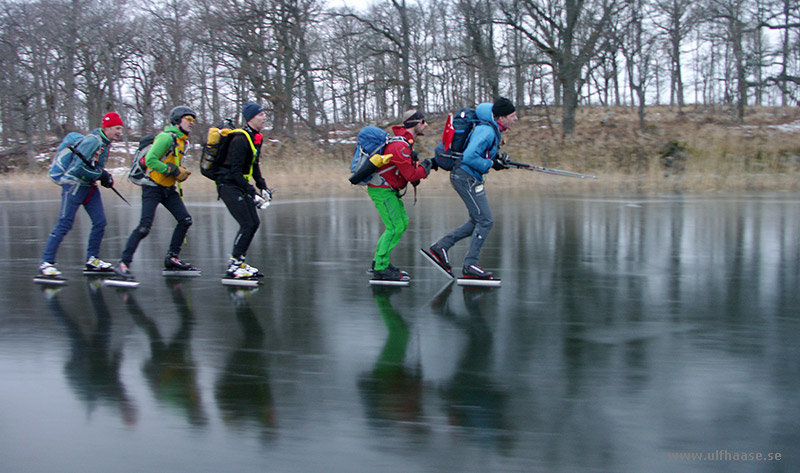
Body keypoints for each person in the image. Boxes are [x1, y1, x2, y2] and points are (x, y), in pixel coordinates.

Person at [426, 97, 518, 280]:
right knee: (485, 220)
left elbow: (479, 152)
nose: (516, 118)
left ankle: (441, 247)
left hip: (468, 178)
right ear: (501, 118)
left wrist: (497, 160)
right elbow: (468, 157)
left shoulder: (490, 128)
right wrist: (490, 163)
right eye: (513, 115)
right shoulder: (487, 131)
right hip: (465, 178)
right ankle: (470, 265)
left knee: (478, 220)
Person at [114, 106, 196, 280]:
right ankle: (123, 263)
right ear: (177, 120)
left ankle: (172, 258)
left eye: (193, 120)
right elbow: (151, 160)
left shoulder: (183, 141)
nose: (191, 122)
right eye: (188, 118)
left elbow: (171, 163)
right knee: (144, 227)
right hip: (152, 187)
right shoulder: (166, 137)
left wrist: (179, 172)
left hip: (168, 189)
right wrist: (172, 170)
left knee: (185, 220)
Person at [39, 112, 124, 278]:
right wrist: (99, 175)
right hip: (74, 186)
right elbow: (77, 168)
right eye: (117, 128)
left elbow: (92, 166)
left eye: (121, 128)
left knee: (100, 222)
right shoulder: (93, 140)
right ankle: (46, 263)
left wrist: (103, 175)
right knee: (65, 223)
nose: (119, 132)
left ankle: (92, 260)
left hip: (89, 187)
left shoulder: (105, 143)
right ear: (106, 127)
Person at [368, 110, 432, 282]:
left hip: (388, 189)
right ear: (414, 123)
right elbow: (411, 175)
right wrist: (427, 166)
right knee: (395, 227)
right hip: (381, 189)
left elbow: (406, 172)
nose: (426, 125)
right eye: (423, 121)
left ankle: (380, 261)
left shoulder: (405, 143)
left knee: (401, 223)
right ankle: (381, 267)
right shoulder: (400, 146)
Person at [217, 102, 271, 280]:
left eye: (264, 114)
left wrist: (263, 186)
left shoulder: (256, 137)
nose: (264, 117)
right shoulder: (240, 139)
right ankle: (233, 266)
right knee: (247, 224)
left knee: (253, 223)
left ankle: (239, 262)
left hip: (239, 185)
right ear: (251, 118)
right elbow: (235, 172)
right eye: (261, 114)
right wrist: (252, 191)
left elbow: (254, 165)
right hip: (228, 185)